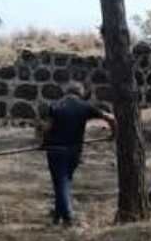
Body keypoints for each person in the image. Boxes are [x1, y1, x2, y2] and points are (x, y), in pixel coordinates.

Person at [40, 83, 115, 226]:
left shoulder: (56, 105)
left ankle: (68, 217)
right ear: (80, 94)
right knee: (64, 181)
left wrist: (43, 143)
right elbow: (110, 118)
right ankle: (57, 217)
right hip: (74, 151)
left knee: (60, 182)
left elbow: (47, 128)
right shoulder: (85, 106)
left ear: (66, 92)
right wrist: (113, 134)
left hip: (55, 150)